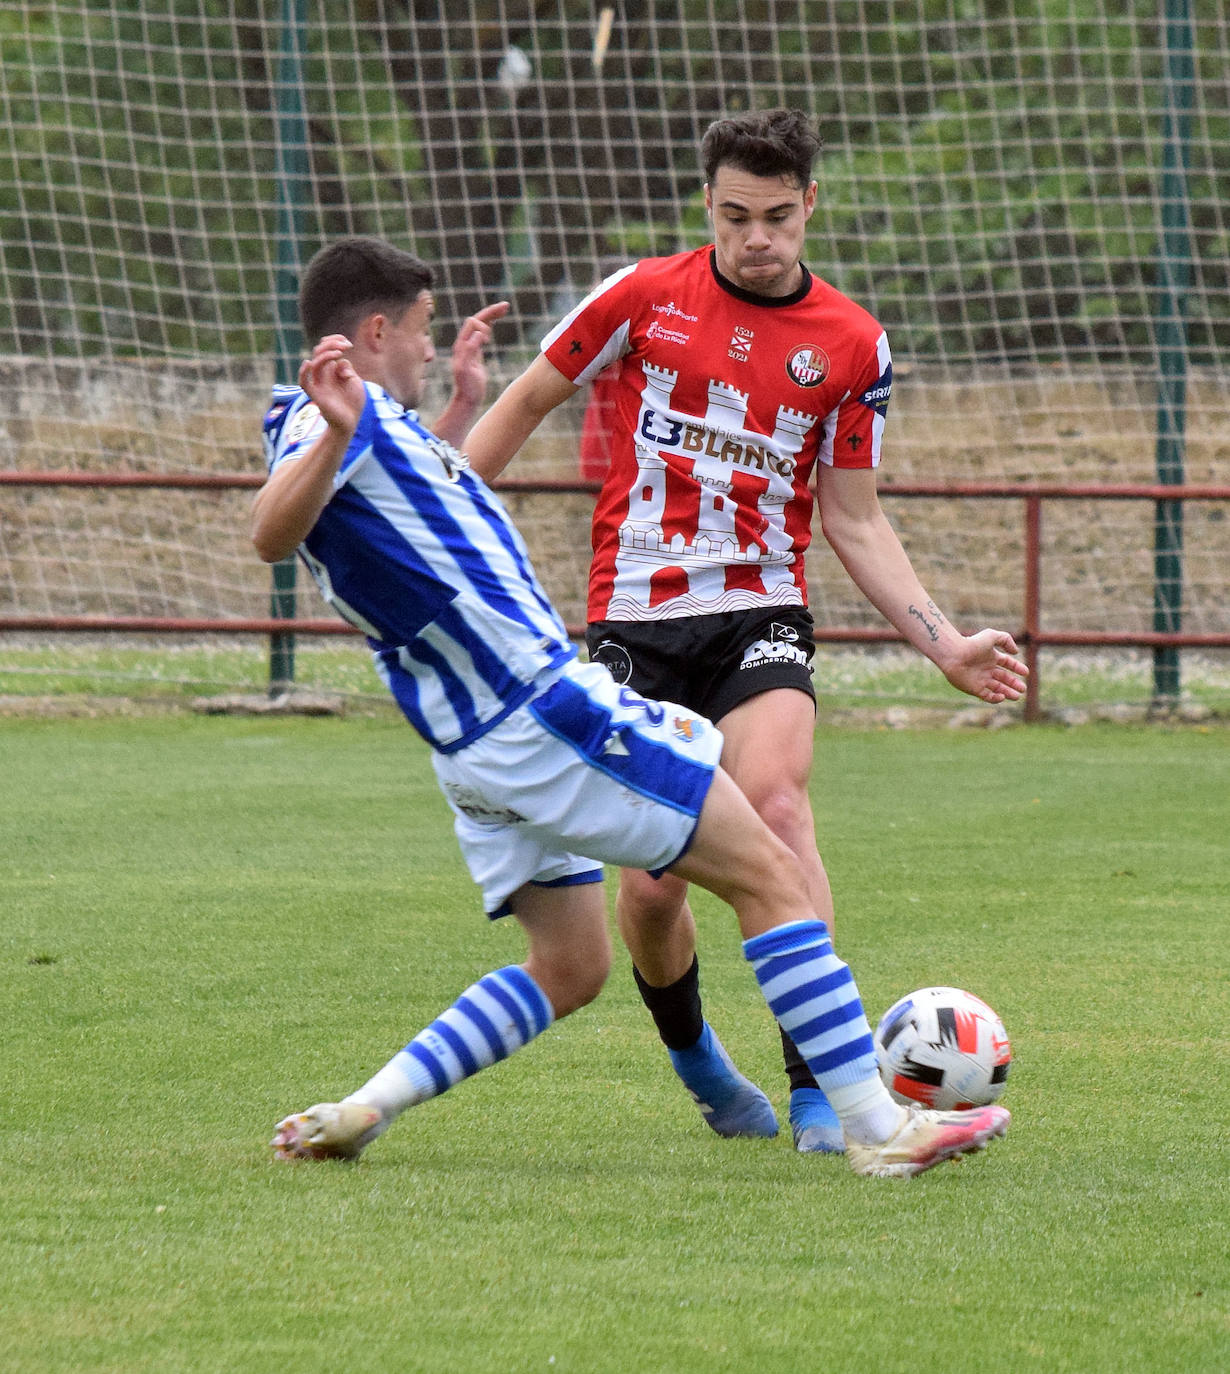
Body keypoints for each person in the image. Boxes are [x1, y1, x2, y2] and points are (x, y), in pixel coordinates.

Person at [251, 234, 1010, 1178]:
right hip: (540, 709)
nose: (426, 343)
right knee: (771, 872)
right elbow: (271, 532)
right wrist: (335, 429)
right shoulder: (333, 416)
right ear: (373, 329)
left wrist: (456, 409)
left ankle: (365, 1107)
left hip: (470, 746)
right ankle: (878, 1129)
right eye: (420, 329)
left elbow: (412, 506)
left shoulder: (370, 425)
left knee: (571, 967)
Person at [462, 109, 1029, 1154]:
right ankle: (696, 1060)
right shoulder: (641, 297)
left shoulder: (855, 345)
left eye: (777, 216)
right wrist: (438, 524)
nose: (757, 238)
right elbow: (527, 399)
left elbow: (853, 514)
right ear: (707, 207)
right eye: (735, 216)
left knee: (777, 807)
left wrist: (943, 642)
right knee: (653, 886)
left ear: (810, 205)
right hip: (635, 621)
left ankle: (821, 1091)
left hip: (761, 613)